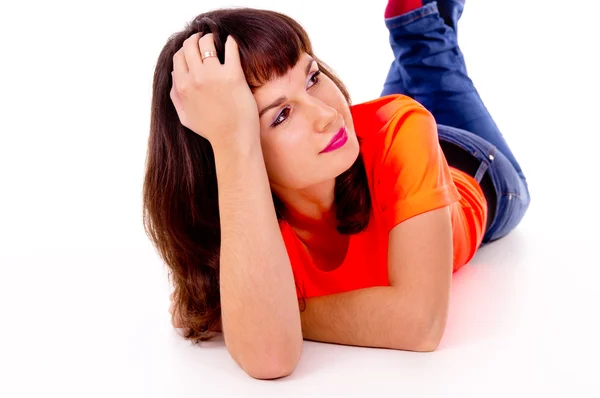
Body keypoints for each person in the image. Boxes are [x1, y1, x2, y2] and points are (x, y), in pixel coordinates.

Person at [143, 0, 530, 379]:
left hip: (471, 166)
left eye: (312, 77)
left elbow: (420, 323)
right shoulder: (238, 219)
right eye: (281, 115)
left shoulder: (403, 132)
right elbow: (270, 357)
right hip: (361, 147)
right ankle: (419, 25)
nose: (326, 114)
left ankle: (421, 28)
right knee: (417, 71)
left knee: (425, 71)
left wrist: (270, 314)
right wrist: (231, 141)